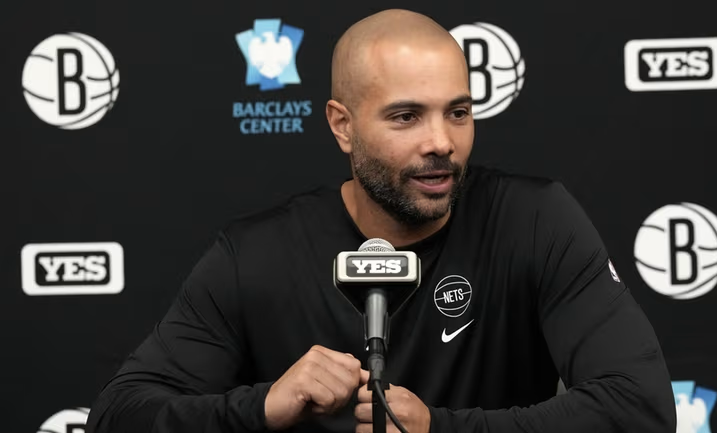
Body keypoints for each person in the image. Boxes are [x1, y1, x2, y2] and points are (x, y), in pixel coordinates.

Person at [85, 8, 676, 433]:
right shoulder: (256, 255)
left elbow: (640, 407)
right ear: (342, 125)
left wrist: (440, 429)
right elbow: (117, 415)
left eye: (458, 112)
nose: (441, 142)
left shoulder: (535, 220)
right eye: (406, 117)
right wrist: (262, 406)